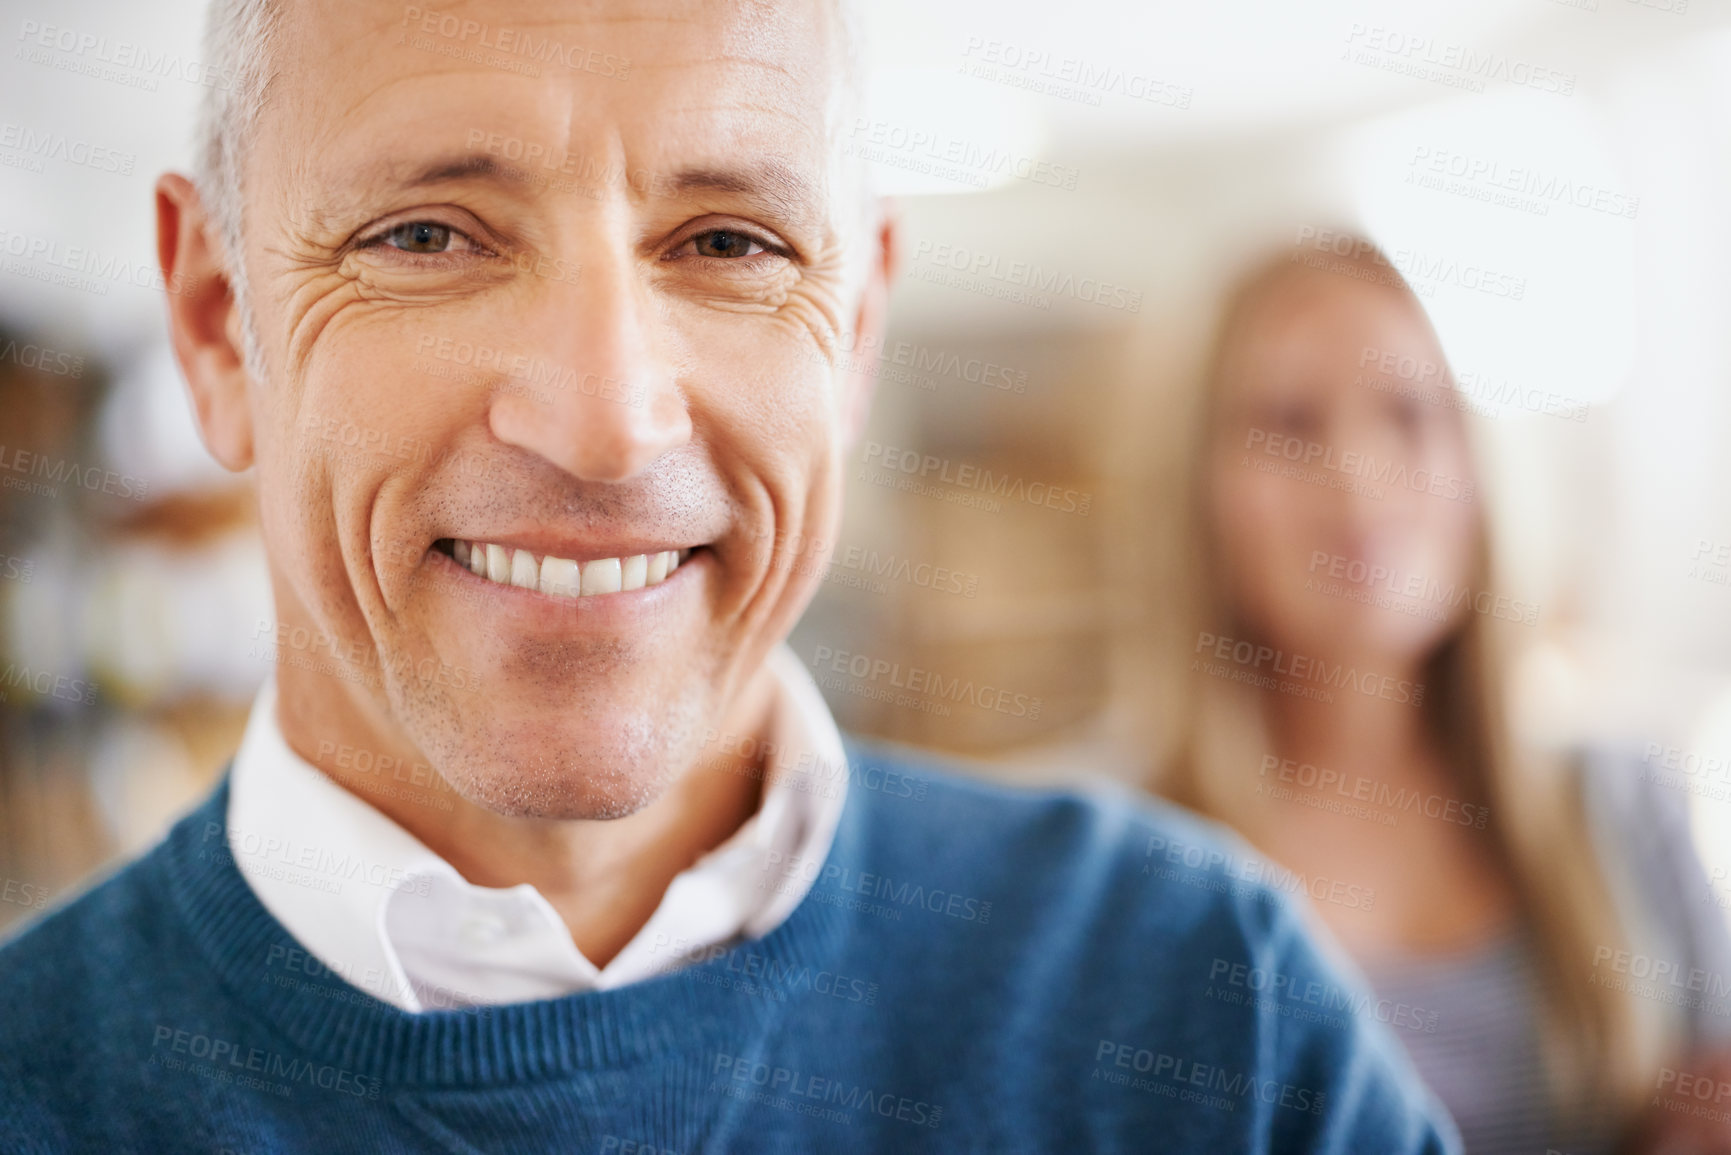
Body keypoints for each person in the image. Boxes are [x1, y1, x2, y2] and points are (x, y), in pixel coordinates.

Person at [0, 4, 1458, 1151]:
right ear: (211, 323)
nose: (604, 414)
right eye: (428, 234)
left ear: (856, 339)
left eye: (729, 241)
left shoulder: (1199, 1009)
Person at [1144, 238, 1731, 1152]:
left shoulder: (1623, 804)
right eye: (1292, 423)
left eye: (1411, 415)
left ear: (1475, 469)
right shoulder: (1115, 854)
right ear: (1199, 492)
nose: (1358, 474)